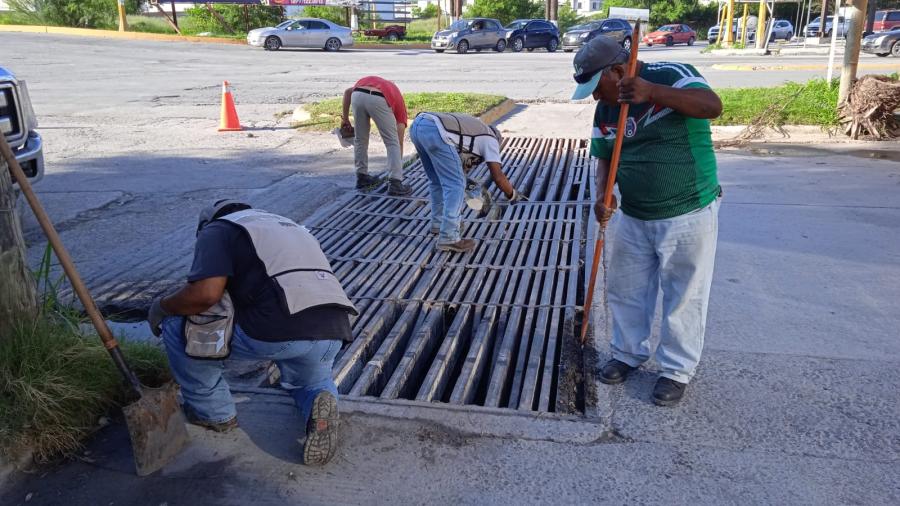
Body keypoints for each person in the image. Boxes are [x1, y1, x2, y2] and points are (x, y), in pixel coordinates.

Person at [571, 36, 723, 406]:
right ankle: (627, 353)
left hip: (687, 209)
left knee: (683, 295)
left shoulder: (671, 74)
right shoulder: (607, 108)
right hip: (635, 214)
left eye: (597, 87)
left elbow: (712, 106)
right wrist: (604, 196)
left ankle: (675, 370)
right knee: (627, 288)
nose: (594, 97)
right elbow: (604, 155)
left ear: (620, 71)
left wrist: (651, 92)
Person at [147, 199, 357, 465]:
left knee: (178, 325)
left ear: (206, 225)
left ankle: (214, 413)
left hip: (280, 329)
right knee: (309, 382)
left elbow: (205, 295)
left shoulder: (218, 230)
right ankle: (320, 403)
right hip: (334, 327)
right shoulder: (287, 225)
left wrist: (161, 307)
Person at [409, 112, 525, 253]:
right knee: (456, 185)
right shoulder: (491, 140)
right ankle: (449, 237)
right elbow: (498, 176)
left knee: (437, 181)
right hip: (436, 130)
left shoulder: (473, 130)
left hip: (419, 126)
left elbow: (456, 164)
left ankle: (439, 224)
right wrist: (512, 194)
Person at [341, 76, 412, 196]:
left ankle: (362, 177)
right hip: (379, 98)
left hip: (357, 94)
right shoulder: (398, 99)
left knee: (360, 139)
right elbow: (398, 140)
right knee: (392, 142)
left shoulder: (376, 82)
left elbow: (348, 92)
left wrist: (345, 119)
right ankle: (395, 183)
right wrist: (398, 168)